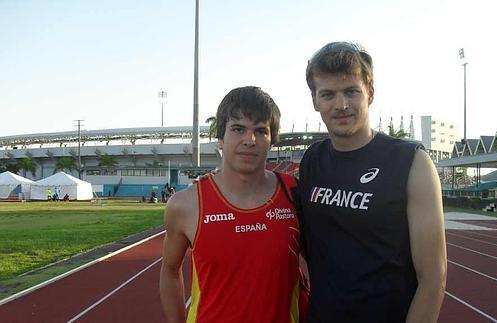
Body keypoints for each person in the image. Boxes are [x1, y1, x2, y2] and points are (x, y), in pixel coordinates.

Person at [298, 42, 447, 322]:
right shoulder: (312, 161)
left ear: (370, 92)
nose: (341, 105)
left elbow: (433, 278)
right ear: (315, 101)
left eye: (351, 91)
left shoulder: (411, 162)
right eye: (328, 94)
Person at [160, 86, 304, 323]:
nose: (250, 140)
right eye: (238, 129)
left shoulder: (295, 194)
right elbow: (169, 270)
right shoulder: (185, 205)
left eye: (261, 130)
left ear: (272, 140)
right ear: (221, 137)